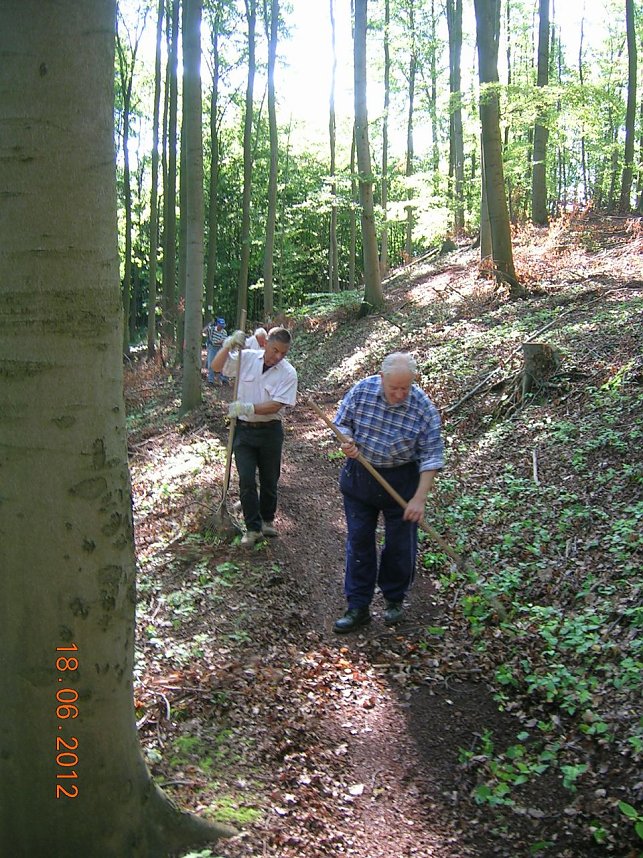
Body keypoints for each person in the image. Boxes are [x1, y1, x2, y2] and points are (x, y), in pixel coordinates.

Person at [332, 352, 444, 633]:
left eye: (405, 388)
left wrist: (419, 498)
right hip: (362, 475)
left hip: (402, 479)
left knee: (399, 545)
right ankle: (358, 605)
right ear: (381, 378)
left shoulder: (422, 408)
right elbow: (341, 423)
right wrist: (346, 441)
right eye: (394, 388)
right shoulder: (362, 391)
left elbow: (432, 455)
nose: (399, 394)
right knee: (359, 541)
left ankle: (394, 599)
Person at [212, 326, 298, 546]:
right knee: (247, 479)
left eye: (283, 353)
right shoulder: (247, 358)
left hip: (270, 431)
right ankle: (252, 528)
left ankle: (267, 520)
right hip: (243, 431)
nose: (278, 357)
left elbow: (277, 404)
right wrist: (228, 345)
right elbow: (216, 367)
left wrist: (248, 407)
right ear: (266, 343)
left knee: (270, 479)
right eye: (275, 350)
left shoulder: (288, 373)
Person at [204, 317, 228, 385]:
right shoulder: (211, 329)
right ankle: (210, 380)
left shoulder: (224, 332)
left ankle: (222, 379)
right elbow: (204, 332)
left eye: (222, 326)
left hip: (220, 348)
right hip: (212, 348)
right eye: (220, 326)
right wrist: (210, 324)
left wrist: (217, 342)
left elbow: (223, 341)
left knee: (222, 363)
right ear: (217, 324)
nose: (221, 327)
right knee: (211, 363)